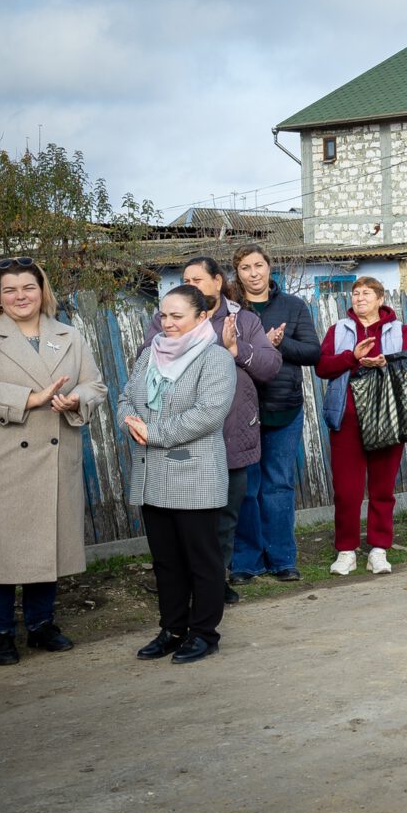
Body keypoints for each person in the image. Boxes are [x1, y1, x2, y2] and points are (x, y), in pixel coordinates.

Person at [0, 258, 107, 666]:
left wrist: (78, 399)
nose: (20, 296)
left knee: (47, 544)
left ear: (43, 291)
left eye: (28, 287)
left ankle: (42, 625)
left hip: (54, 456)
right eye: (10, 290)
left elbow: (95, 383)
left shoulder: (69, 335)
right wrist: (31, 399)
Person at [145, 257, 281, 607]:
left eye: (199, 279)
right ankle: (187, 583)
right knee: (182, 519)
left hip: (231, 435)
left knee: (225, 516)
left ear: (218, 282)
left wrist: (237, 350)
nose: (191, 285)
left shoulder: (244, 321)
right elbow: (147, 364)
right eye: (185, 279)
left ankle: (215, 581)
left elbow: (270, 367)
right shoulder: (166, 324)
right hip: (180, 438)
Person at [118, 284, 237, 663]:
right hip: (152, 474)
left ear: (202, 317)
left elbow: (208, 413)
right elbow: (125, 396)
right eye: (163, 316)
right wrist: (129, 421)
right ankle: (172, 629)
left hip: (194, 474)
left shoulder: (215, 358)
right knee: (166, 561)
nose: (167, 323)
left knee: (201, 561)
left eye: (177, 316)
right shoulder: (150, 355)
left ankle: (204, 633)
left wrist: (154, 434)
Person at [315, 276, 407, 574]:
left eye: (366, 294)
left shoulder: (398, 330)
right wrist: (353, 358)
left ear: (379, 299)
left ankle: (378, 548)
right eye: (355, 293)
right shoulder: (339, 330)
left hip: (387, 415)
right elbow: (322, 366)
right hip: (347, 418)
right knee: (346, 490)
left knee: (382, 487)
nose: (359, 298)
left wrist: (385, 363)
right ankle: (346, 550)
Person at [231, 244, 320, 584]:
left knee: (278, 486)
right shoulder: (232, 310)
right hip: (242, 412)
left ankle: (283, 559)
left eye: (258, 265)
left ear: (269, 268)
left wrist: (278, 344)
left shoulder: (293, 306)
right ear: (237, 274)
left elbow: (313, 352)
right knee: (246, 488)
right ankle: (246, 562)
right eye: (245, 268)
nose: (253, 273)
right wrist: (260, 346)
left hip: (284, 409)